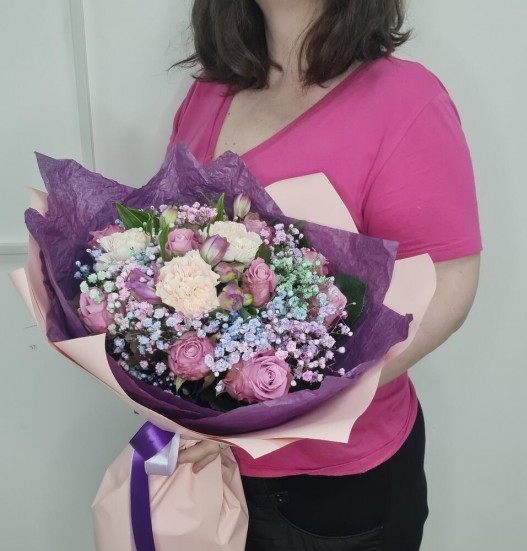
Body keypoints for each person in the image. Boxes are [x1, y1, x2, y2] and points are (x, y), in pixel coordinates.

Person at [169, 1, 482, 549]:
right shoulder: (208, 93)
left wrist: (295, 404)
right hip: (208, 471)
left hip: (333, 491)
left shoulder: (405, 100)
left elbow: (449, 285)